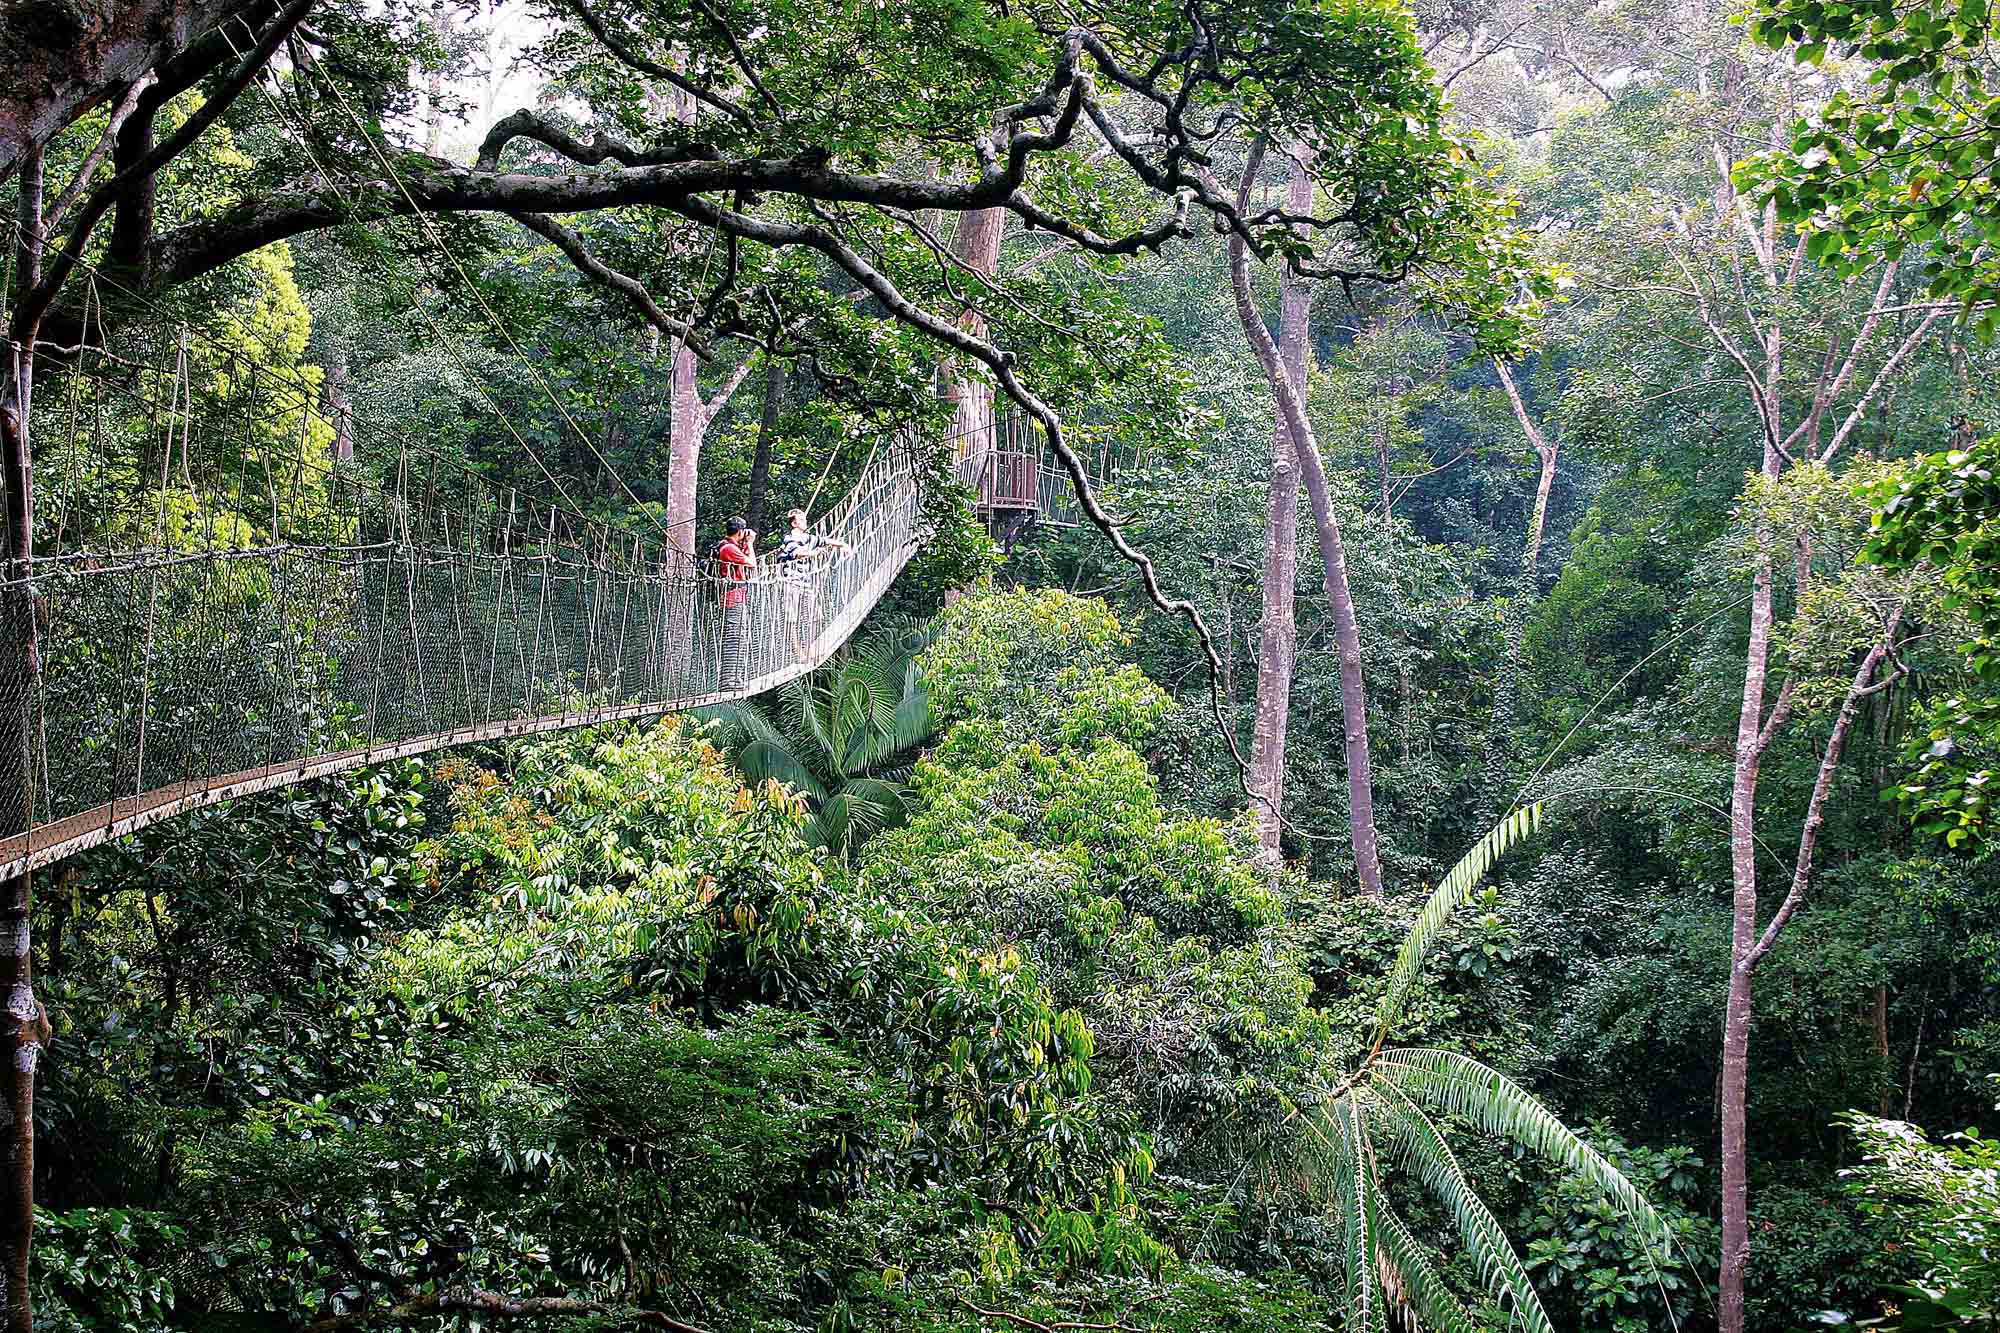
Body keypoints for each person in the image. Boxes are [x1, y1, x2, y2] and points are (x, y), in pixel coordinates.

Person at [770, 507, 848, 658]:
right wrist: (813, 553)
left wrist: (843, 545)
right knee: (791, 618)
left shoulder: (809, 538)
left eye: (805, 519)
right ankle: (797, 650)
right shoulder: (789, 538)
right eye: (801, 520)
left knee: (815, 615)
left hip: (806, 582)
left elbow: (826, 541)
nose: (805, 522)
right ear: (794, 523)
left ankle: (809, 647)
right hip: (790, 581)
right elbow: (797, 553)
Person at [715, 516, 756, 689]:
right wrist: (751, 543)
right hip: (732, 600)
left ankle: (736, 680)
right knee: (734, 639)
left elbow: (746, 564)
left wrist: (745, 544)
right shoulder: (729, 548)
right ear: (740, 531)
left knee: (740, 638)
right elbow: (752, 564)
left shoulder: (730, 547)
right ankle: (728, 682)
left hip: (736, 598)